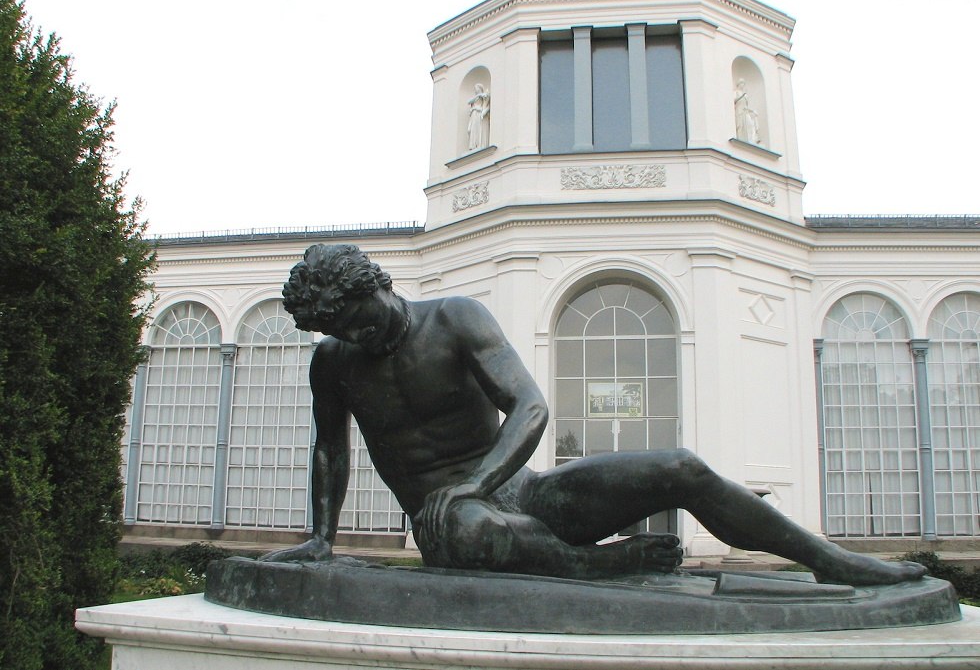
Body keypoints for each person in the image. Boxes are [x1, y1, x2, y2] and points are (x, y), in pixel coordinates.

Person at [262, 243, 925, 585]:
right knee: (468, 525)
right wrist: (322, 536)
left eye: (362, 318)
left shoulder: (455, 317)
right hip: (449, 520)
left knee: (680, 466)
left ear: (380, 283)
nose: (361, 335)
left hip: (518, 492)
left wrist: (478, 479)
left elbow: (529, 406)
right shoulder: (335, 361)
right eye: (342, 328)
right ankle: (595, 567)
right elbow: (331, 450)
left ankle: (827, 558)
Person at [734, 78, 761, 144]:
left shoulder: (745, 95)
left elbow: (746, 106)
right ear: (739, 84)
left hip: (745, 111)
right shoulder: (736, 92)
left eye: (743, 84)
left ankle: (752, 139)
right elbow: (734, 100)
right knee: (740, 125)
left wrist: (752, 111)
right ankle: (740, 138)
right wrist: (742, 96)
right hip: (739, 110)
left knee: (750, 124)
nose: (743, 85)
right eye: (742, 83)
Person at [466, 83, 490, 151]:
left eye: (476, 88)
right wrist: (479, 95)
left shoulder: (483, 96)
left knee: (478, 128)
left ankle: (479, 144)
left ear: (479, 89)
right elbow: (469, 102)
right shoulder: (477, 96)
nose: (475, 90)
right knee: (471, 129)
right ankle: (473, 145)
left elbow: (486, 102)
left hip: (479, 114)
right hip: (474, 114)